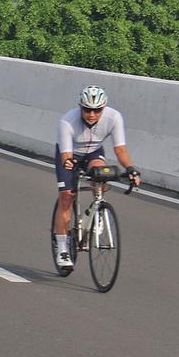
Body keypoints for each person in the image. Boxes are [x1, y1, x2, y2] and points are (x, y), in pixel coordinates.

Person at [52, 86, 141, 271]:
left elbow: (120, 150)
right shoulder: (68, 121)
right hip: (70, 155)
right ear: (80, 107)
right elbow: (66, 154)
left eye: (97, 110)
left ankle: (96, 211)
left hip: (93, 153)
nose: (92, 114)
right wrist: (68, 163)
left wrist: (131, 169)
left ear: (104, 108)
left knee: (103, 174)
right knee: (67, 196)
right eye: (87, 109)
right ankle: (62, 249)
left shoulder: (114, 117)